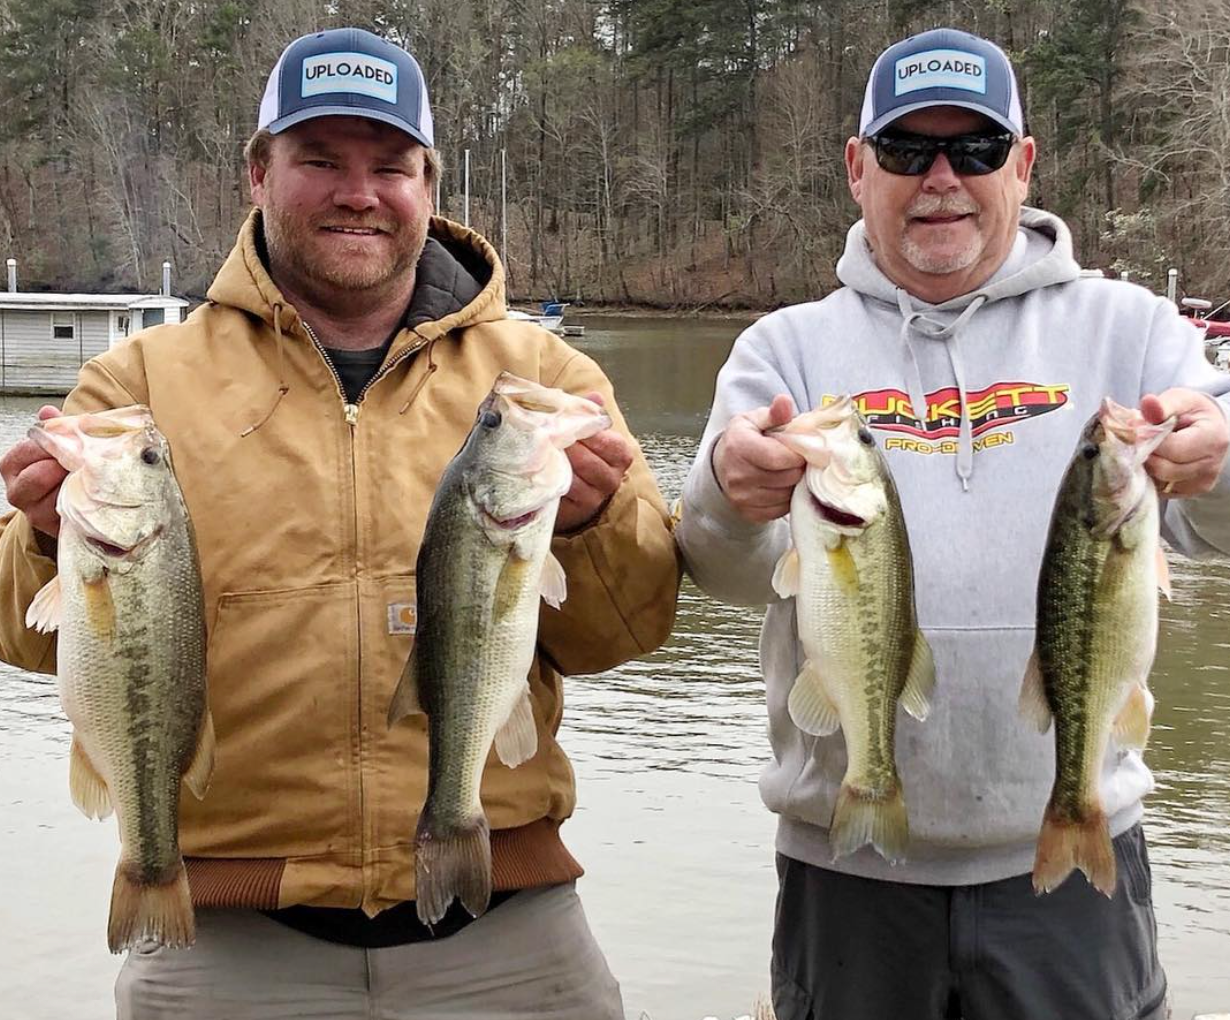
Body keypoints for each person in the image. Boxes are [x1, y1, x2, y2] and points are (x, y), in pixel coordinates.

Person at [0, 27, 679, 1020]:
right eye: (319, 159)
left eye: (389, 165)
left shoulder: (543, 384)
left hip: (509, 930)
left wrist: (589, 529)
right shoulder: (136, 387)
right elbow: (27, 637)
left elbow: (630, 632)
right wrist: (49, 540)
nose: (357, 192)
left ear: (428, 184)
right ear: (257, 174)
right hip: (223, 938)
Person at [675, 27, 1230, 1020]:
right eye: (906, 152)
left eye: (973, 151)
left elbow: (1217, 526)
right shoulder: (785, 351)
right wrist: (725, 489)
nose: (941, 179)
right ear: (857, 169)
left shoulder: (1136, 329)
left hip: (1074, 865)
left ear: (1022, 164)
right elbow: (720, 570)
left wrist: (1217, 462)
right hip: (846, 870)